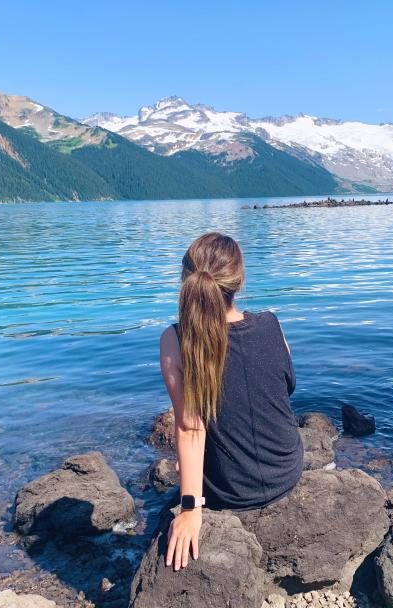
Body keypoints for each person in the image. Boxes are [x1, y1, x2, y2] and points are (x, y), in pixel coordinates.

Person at [159, 232, 303, 572]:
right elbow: (287, 387)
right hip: (287, 471)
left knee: (185, 457)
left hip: (233, 494)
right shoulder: (271, 324)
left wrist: (191, 508)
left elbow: (189, 428)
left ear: (186, 280)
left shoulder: (176, 340)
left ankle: (193, 475)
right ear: (238, 283)